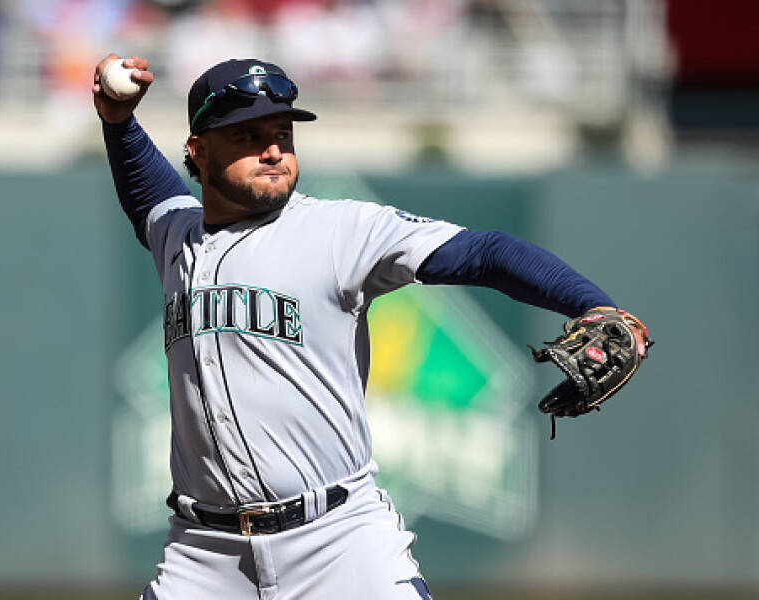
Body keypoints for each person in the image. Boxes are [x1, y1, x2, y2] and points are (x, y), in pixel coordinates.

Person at [93, 54, 647, 600]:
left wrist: (592, 305)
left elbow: (484, 252)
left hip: (337, 542)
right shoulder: (176, 237)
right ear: (199, 150)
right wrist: (118, 123)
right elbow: (149, 193)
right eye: (246, 135)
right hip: (204, 553)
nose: (272, 150)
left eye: (283, 133)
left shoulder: (340, 229)